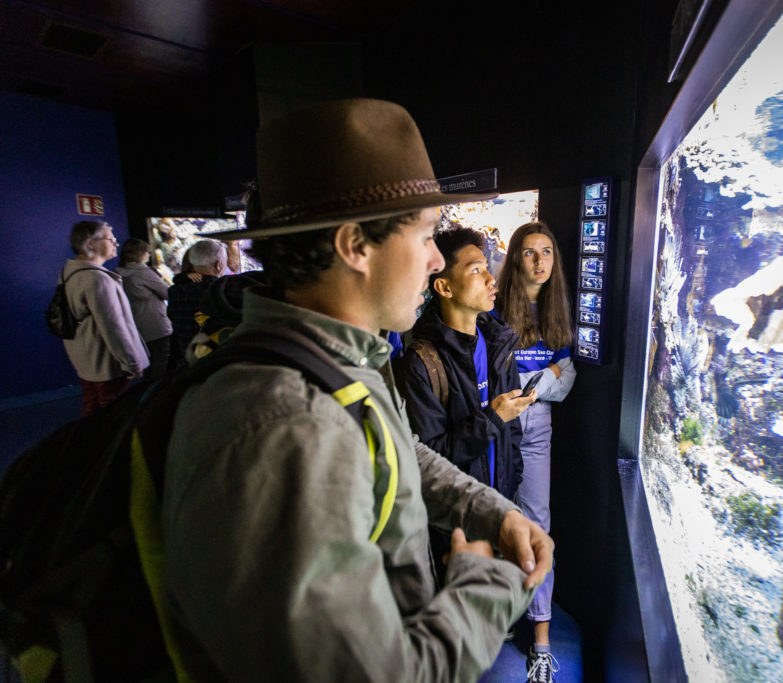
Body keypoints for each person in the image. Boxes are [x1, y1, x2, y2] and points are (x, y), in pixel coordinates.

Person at [162, 98, 553, 681]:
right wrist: (486, 584)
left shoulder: (338, 362)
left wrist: (487, 510)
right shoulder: (286, 427)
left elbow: (396, 450)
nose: (431, 262)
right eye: (424, 236)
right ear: (354, 245)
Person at [394, 225, 534, 504]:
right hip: (456, 517)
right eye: (475, 270)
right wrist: (492, 419)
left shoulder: (499, 343)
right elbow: (429, 458)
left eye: (486, 267)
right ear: (444, 287)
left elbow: (512, 433)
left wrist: (511, 482)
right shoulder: (421, 364)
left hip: (502, 501)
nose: (490, 279)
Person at [495, 221, 577, 683]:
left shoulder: (555, 308)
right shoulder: (495, 307)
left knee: (538, 522)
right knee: (498, 516)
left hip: (538, 424)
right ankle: (505, 614)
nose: (540, 261)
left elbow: (564, 375)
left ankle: (541, 638)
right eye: (530, 252)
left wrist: (546, 380)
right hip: (499, 421)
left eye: (547, 252)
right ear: (515, 258)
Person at [59, 221, 149, 414]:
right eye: (110, 239)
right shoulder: (97, 279)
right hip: (107, 364)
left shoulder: (69, 271)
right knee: (113, 415)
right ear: (91, 244)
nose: (116, 244)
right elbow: (113, 328)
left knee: (92, 409)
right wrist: (131, 363)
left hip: (86, 359)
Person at [116, 237, 173, 381]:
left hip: (136, 327)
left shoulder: (117, 273)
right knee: (160, 366)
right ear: (139, 254)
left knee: (148, 367)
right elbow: (167, 293)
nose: (149, 254)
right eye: (147, 252)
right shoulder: (144, 273)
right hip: (157, 326)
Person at [166, 239, 227, 369]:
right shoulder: (225, 291)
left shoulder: (174, 291)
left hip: (187, 365)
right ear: (219, 265)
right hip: (219, 365)